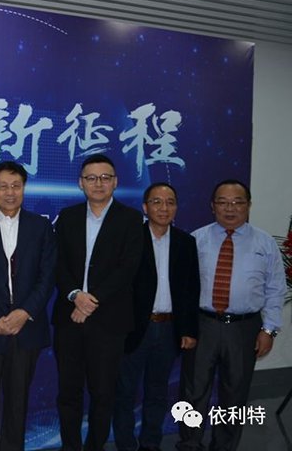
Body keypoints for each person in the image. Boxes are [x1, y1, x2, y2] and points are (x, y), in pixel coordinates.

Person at [177, 179, 285, 451]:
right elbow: (183, 287)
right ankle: (189, 443)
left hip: (244, 328)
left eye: (237, 202)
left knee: (235, 393)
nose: (230, 208)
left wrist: (269, 330)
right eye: (223, 202)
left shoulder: (264, 243)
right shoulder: (196, 239)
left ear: (248, 205)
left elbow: (275, 289)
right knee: (193, 392)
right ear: (212, 206)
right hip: (203, 325)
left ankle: (224, 446)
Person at [52, 153, 144, 451]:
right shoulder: (68, 217)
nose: (98, 183)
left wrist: (91, 301)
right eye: (91, 178)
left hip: (109, 322)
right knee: (68, 392)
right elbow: (57, 263)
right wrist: (75, 296)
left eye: (105, 178)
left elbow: (128, 268)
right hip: (69, 319)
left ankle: (95, 446)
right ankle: (70, 447)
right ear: (81, 183)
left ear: (115, 182)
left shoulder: (131, 219)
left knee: (103, 394)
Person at [0, 161, 56, 451]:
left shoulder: (41, 226)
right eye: (3, 186)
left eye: (16, 186)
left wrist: (24, 312)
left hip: (26, 330)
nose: (10, 192)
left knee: (18, 402)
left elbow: (47, 276)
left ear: (24, 188)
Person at [112, 182, 200, 451]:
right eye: (157, 202)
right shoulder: (130, 239)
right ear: (145, 207)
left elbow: (191, 289)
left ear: (176, 208)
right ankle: (126, 444)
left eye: (170, 202)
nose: (164, 208)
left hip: (169, 329)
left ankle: (151, 443)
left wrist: (189, 330)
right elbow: (118, 286)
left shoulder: (186, 242)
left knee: (158, 392)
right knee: (124, 392)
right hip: (134, 328)